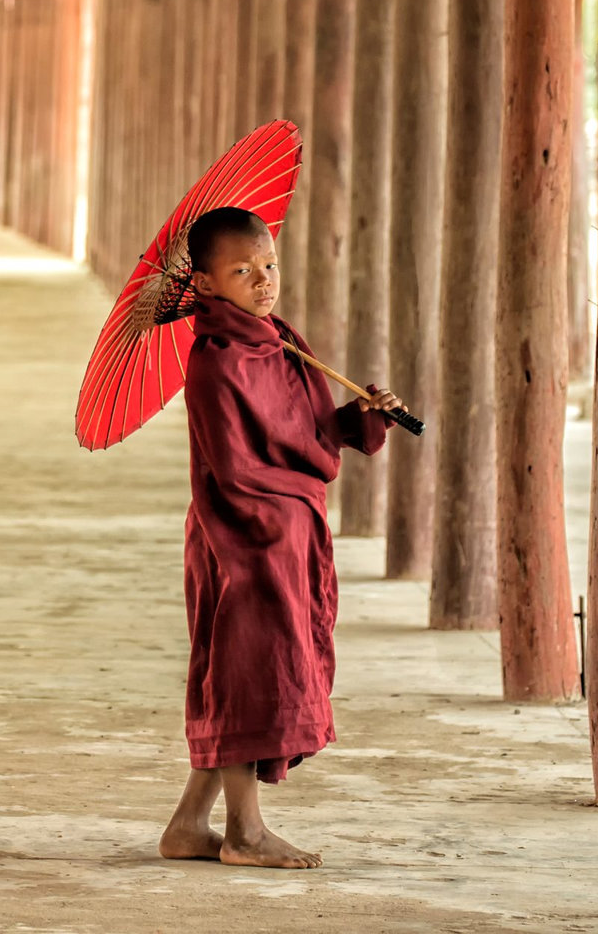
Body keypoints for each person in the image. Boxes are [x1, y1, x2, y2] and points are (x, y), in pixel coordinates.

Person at [158, 206, 404, 869]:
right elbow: (237, 468)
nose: (264, 280)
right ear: (204, 285)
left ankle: (188, 826)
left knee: (246, 669)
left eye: (268, 264)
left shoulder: (277, 339)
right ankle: (244, 833)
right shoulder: (216, 361)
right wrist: (293, 498)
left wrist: (358, 418)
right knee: (248, 675)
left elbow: (299, 431)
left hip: (283, 529)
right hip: (243, 535)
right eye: (242, 271)